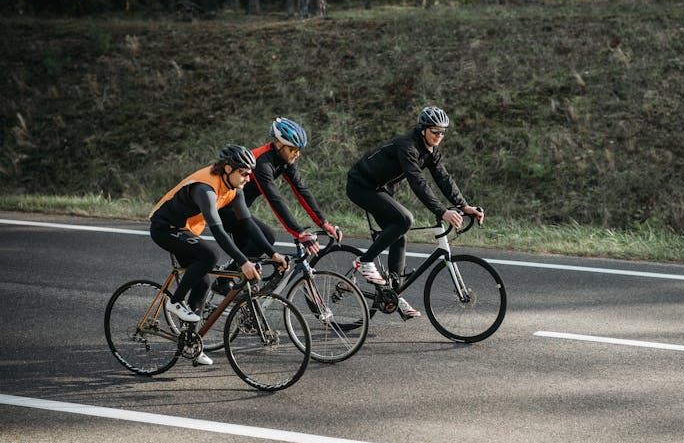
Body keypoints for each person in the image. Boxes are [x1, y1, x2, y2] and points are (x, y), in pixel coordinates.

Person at [149, 144, 288, 365]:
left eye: (249, 173)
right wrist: (243, 261)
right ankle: (174, 301)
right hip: (164, 229)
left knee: (203, 282)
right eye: (243, 173)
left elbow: (248, 223)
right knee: (210, 255)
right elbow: (217, 230)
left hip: (185, 230)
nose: (248, 178)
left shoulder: (234, 188)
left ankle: (191, 343)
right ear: (227, 169)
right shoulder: (205, 188)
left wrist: (273, 253)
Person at [346, 106, 485, 319]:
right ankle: (364, 261)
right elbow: (417, 182)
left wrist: (464, 205)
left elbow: (443, 178)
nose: (440, 136)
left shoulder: (430, 150)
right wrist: (441, 211)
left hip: (379, 188)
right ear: (423, 129)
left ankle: (392, 292)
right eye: (435, 131)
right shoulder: (407, 146)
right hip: (361, 185)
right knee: (404, 220)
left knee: (398, 237)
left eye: (443, 132)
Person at [214, 117, 342, 293]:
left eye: (299, 150)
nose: (297, 154)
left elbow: (301, 190)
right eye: (293, 149)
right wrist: (299, 232)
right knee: (267, 237)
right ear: (278, 144)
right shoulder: (262, 162)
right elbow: (274, 199)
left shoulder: (284, 160)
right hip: (223, 208)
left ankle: (238, 301)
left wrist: (323, 222)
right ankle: (223, 280)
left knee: (249, 272)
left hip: (239, 210)